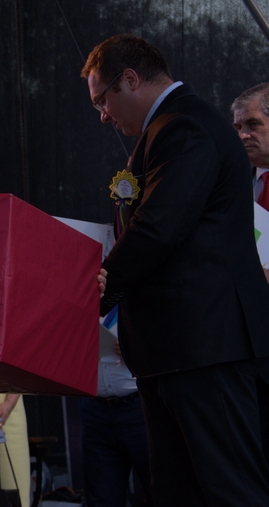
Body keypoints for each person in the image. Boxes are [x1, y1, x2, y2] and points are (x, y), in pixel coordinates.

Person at [85, 34, 269, 505]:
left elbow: (159, 227)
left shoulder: (184, 125)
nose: (102, 115)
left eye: (102, 100)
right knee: (176, 491)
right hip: (176, 349)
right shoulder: (168, 127)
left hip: (205, 345)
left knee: (228, 489)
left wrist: (95, 291)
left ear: (130, 79)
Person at [78, 309, 151, 507]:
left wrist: (136, 345)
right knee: (102, 496)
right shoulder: (83, 302)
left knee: (158, 488)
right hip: (96, 410)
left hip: (138, 406)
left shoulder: (136, 300)